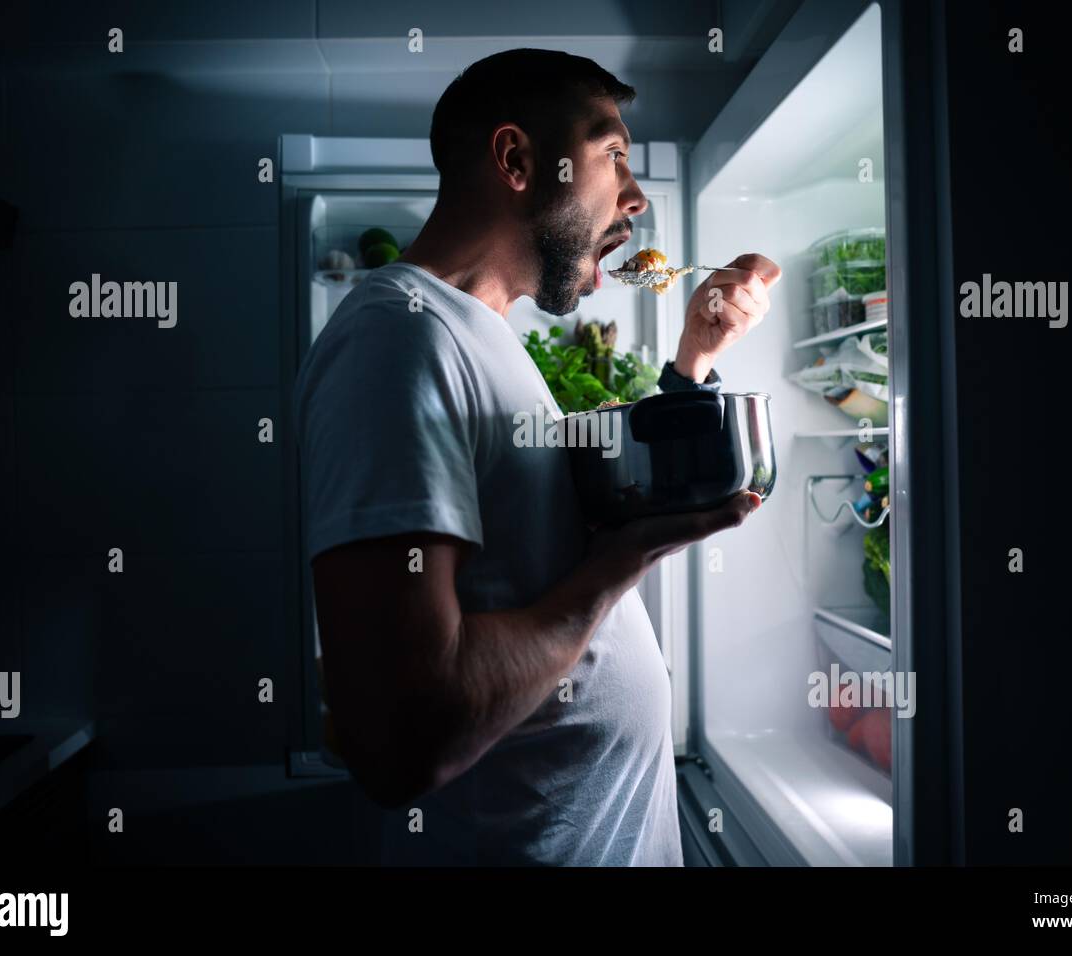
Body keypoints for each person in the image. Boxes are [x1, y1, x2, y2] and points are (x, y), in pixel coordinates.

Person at [294, 48, 780, 865]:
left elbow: (543, 546)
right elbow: (399, 743)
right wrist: (621, 566)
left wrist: (694, 360)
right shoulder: (396, 340)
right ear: (517, 161)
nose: (636, 195)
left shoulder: (480, 336)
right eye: (612, 153)